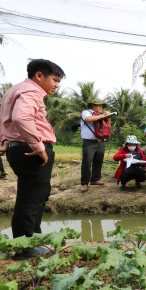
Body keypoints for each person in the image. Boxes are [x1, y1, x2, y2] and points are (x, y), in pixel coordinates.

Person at [0, 59, 65, 259]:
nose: (56, 85)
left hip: (21, 148)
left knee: (35, 194)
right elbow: (21, 118)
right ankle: (24, 248)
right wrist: (38, 146)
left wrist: (4, 142)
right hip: (31, 150)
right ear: (39, 75)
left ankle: (32, 240)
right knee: (31, 198)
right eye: (55, 80)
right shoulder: (31, 91)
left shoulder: (16, 90)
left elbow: (6, 119)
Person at [80, 98, 111, 193]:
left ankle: (95, 179)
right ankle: (84, 183)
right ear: (93, 106)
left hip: (101, 140)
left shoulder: (101, 115)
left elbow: (107, 126)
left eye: (101, 106)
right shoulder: (86, 112)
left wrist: (108, 118)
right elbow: (88, 119)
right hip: (89, 142)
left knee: (99, 160)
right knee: (87, 162)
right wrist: (103, 115)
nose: (100, 107)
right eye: (98, 105)